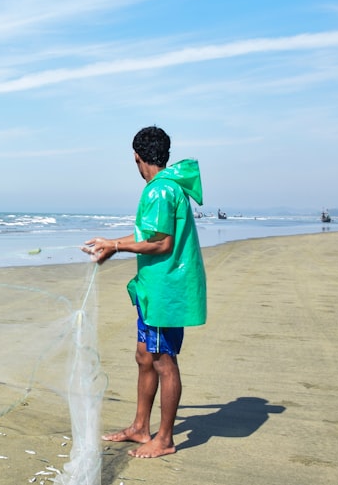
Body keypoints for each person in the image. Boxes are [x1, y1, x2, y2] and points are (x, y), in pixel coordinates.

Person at [83, 126, 207, 458]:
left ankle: (164, 439)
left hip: (164, 292)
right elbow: (157, 237)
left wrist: (115, 244)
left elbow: (161, 243)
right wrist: (116, 247)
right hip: (158, 288)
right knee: (144, 357)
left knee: (163, 362)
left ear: (137, 158)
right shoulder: (169, 188)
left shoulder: (160, 191)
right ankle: (140, 427)